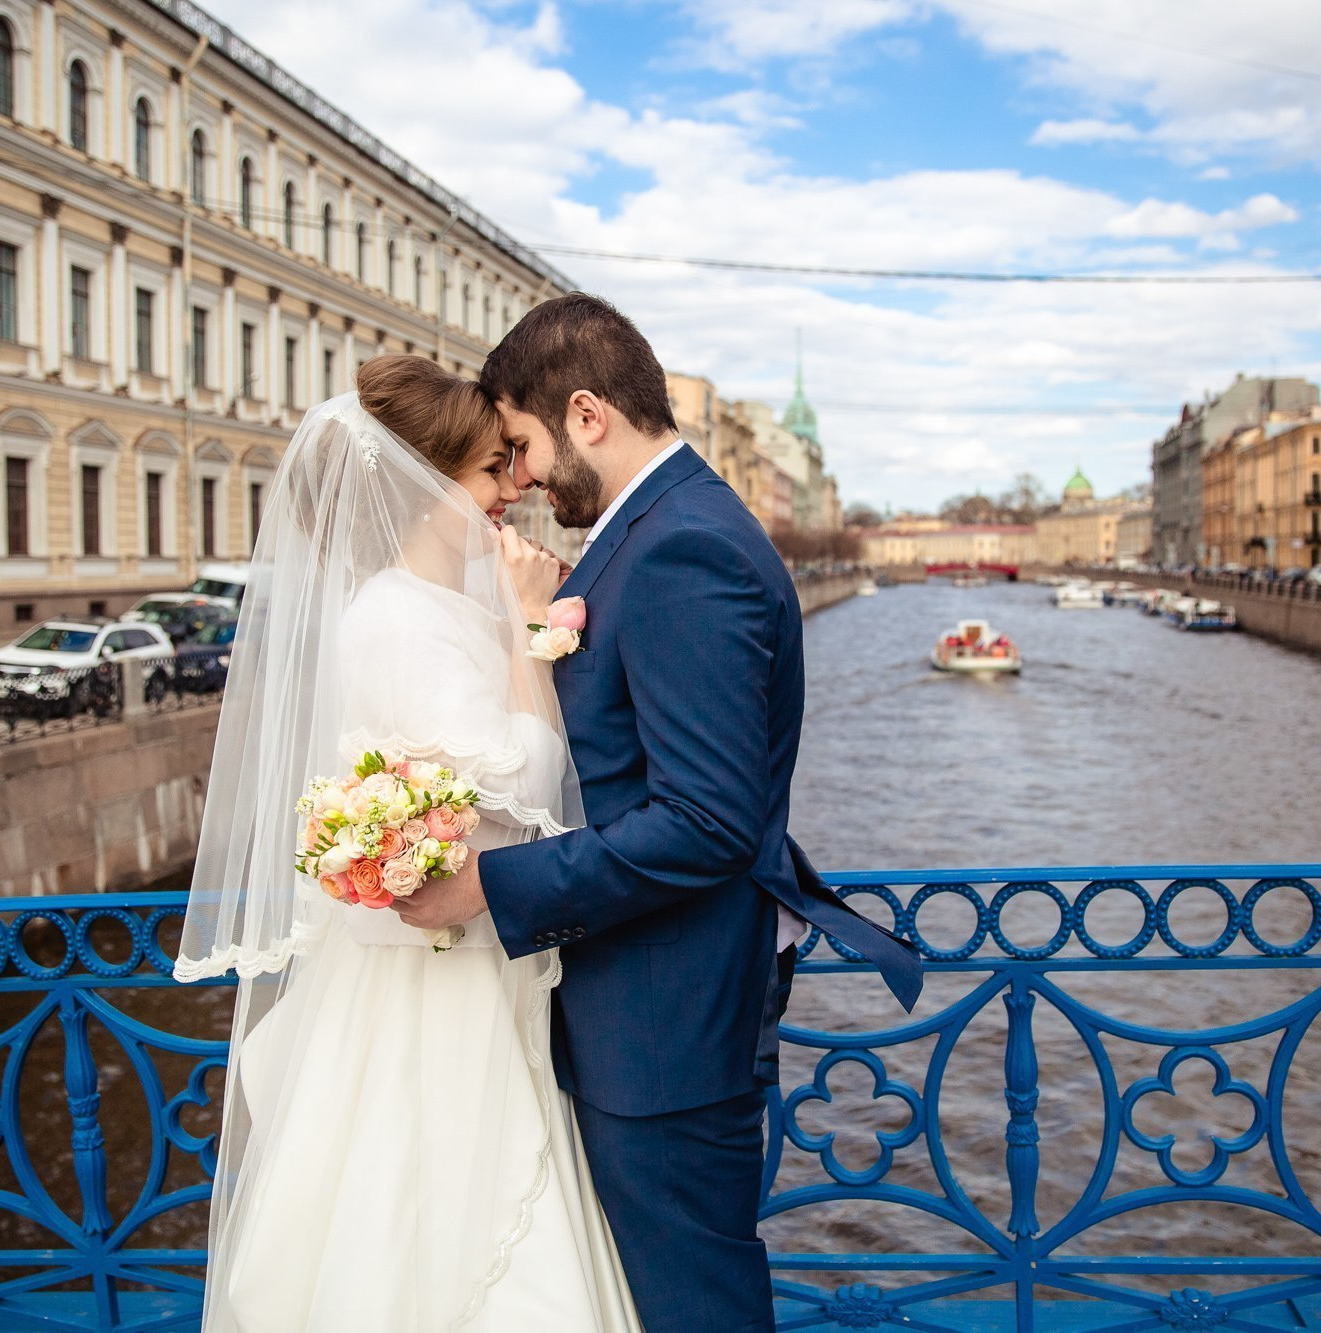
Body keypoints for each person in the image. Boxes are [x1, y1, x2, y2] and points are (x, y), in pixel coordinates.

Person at [389, 294, 922, 1332]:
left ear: (587, 413)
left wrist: (487, 886)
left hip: (663, 1029)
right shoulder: (657, 530)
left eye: (526, 445)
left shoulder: (682, 548)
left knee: (692, 1308)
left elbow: (704, 820)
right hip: (640, 1011)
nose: (526, 478)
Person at [173, 356, 641, 1331]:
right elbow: (520, 775)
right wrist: (524, 631)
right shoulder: (393, 618)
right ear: (421, 486)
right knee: (435, 1214)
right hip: (440, 972)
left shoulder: (432, 606)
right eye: (484, 473)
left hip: (474, 950)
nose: (509, 490)